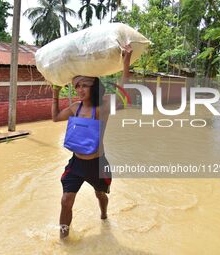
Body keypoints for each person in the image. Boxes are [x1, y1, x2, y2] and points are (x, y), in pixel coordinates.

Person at [51, 44, 133, 239]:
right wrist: (54, 92)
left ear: (94, 86)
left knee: (100, 195)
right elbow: (55, 117)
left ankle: (104, 214)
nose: (79, 89)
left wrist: (126, 61)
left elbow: (123, 94)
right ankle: (63, 238)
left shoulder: (103, 106)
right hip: (77, 163)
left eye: (84, 85)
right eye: (77, 85)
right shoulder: (74, 108)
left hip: (98, 164)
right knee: (65, 200)